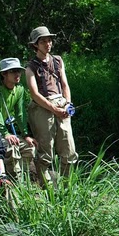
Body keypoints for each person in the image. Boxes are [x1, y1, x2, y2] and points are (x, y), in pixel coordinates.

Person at [25, 26, 77, 186]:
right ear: (36, 45)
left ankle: (66, 188)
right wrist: (54, 109)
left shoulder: (58, 60)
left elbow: (65, 84)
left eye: (49, 40)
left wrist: (67, 104)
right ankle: (47, 189)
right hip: (43, 107)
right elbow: (34, 94)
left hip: (62, 104)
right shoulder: (30, 67)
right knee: (45, 153)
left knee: (69, 151)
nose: (47, 44)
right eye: (43, 41)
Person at [0, 57, 37, 180]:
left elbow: (20, 113)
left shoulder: (19, 89)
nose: (17, 74)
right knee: (10, 147)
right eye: (13, 71)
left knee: (30, 147)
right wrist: (5, 134)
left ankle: (24, 178)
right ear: (4, 74)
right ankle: (12, 178)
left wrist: (25, 134)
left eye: (18, 71)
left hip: (5, 126)